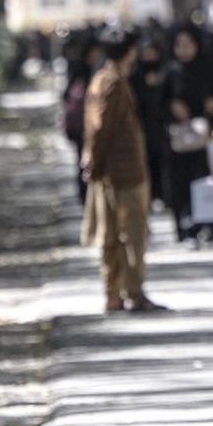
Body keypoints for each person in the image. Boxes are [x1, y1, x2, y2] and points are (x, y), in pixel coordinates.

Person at [79, 27, 165, 313]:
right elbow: (101, 128)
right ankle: (132, 292)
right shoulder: (112, 82)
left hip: (111, 171)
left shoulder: (103, 79)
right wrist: (95, 160)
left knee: (113, 236)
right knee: (129, 235)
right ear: (129, 52)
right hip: (123, 173)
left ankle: (115, 293)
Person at [162, 24, 213, 243]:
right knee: (182, 182)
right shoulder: (170, 71)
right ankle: (187, 225)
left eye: (188, 44)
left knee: (208, 179)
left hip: (208, 136)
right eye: (179, 45)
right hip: (181, 139)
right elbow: (158, 104)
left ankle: (212, 224)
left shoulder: (209, 68)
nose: (184, 50)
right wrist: (172, 107)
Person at [129, 35, 170, 210]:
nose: (149, 58)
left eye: (152, 53)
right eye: (145, 54)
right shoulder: (136, 76)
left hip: (164, 127)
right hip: (144, 127)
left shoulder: (166, 72)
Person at [61, 31, 102, 205]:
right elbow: (66, 96)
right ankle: (85, 198)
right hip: (82, 128)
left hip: (99, 127)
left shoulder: (104, 73)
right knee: (83, 163)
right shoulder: (79, 70)